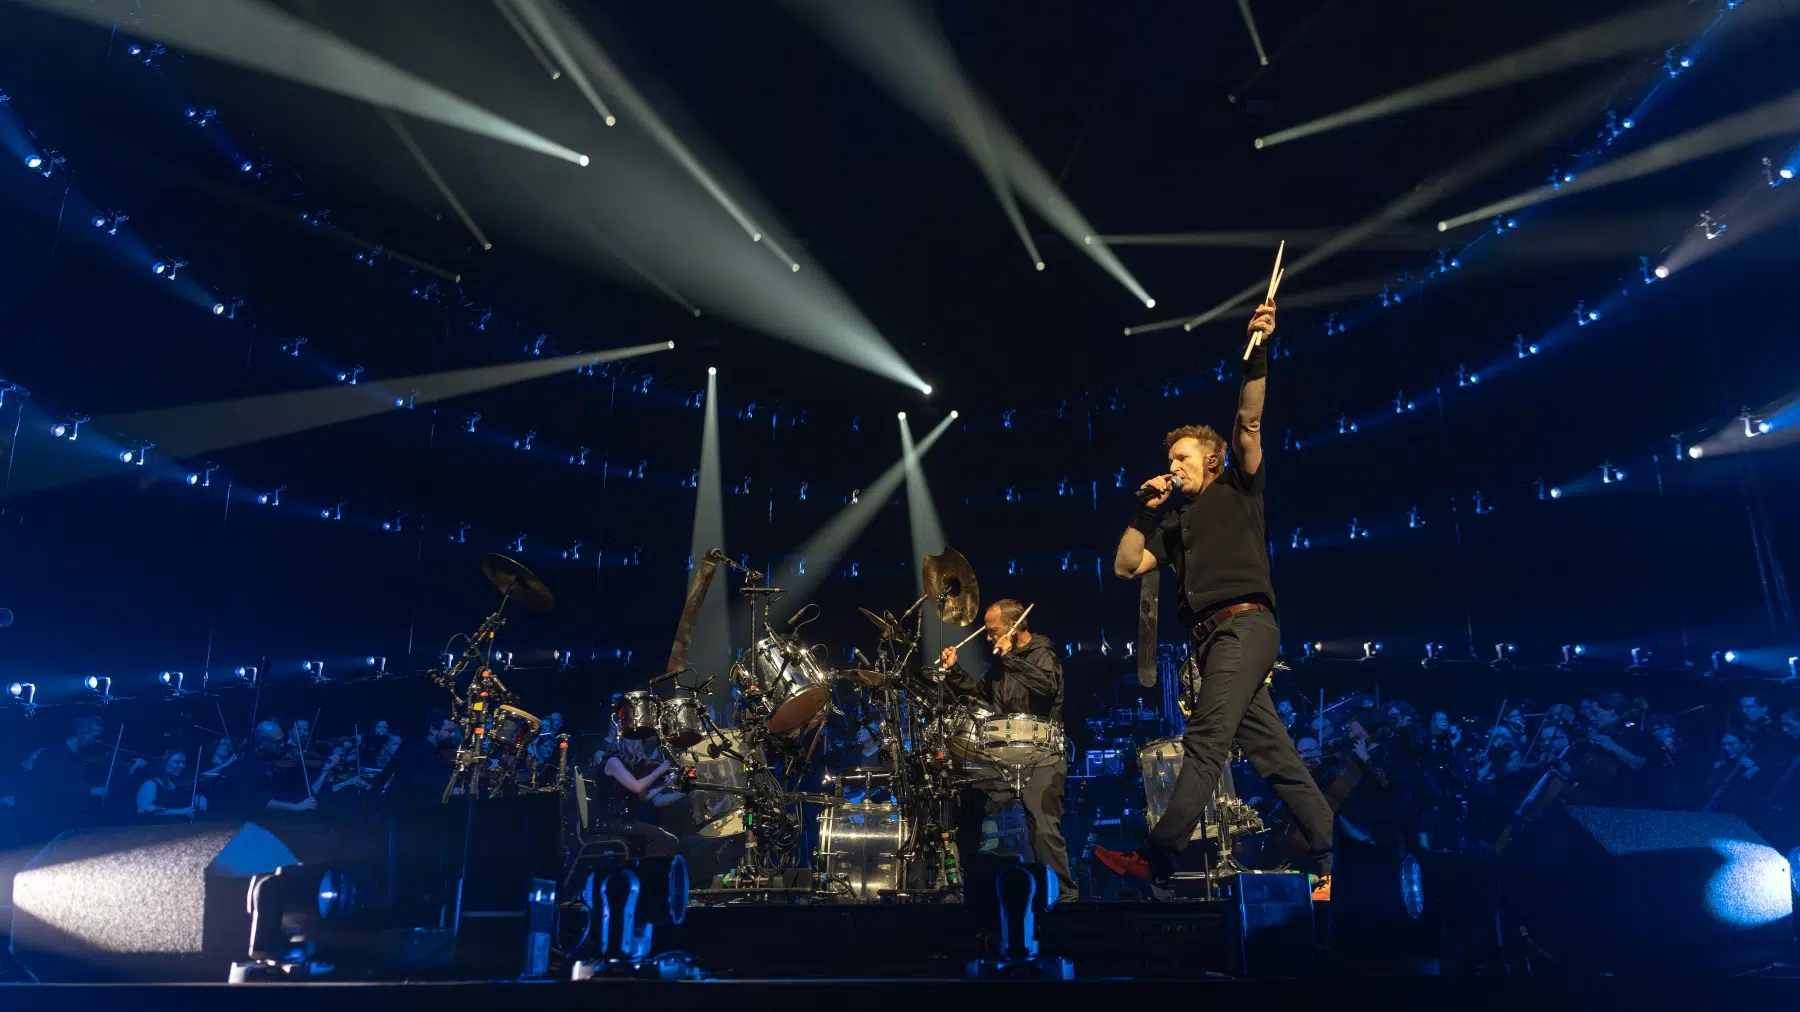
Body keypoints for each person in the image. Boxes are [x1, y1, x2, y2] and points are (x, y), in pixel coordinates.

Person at [1098, 298, 1336, 897]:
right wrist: (1141, 512)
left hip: (1245, 627)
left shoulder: (1238, 485)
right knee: (1273, 755)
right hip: (1212, 642)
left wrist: (1258, 353)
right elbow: (1126, 566)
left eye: (1180, 458)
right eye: (1169, 460)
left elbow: (1249, 422)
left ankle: (1158, 859)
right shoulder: (1173, 523)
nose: (1172, 466)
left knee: (1206, 741)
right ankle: (1328, 861)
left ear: (1210, 459)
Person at [938, 598, 1074, 896]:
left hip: (1043, 757)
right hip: (1004, 757)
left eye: (993, 631)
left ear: (1014, 626)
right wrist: (954, 670)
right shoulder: (1001, 662)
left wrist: (1011, 657)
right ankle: (977, 892)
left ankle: (1065, 897)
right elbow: (980, 695)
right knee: (975, 812)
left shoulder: (1042, 652)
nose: (988, 638)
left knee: (1044, 831)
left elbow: (1047, 688)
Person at [592, 733, 680, 857]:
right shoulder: (613, 762)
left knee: (671, 840)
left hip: (625, 820)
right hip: (611, 821)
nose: (640, 751)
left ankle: (656, 867)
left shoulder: (627, 765)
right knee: (660, 837)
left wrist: (668, 781)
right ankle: (649, 867)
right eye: (638, 747)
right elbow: (637, 787)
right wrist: (659, 770)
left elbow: (644, 796)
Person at [232, 721, 318, 814]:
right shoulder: (245, 766)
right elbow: (258, 799)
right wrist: (296, 807)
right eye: (277, 743)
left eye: (282, 741)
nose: (282, 745)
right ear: (261, 744)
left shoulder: (281, 761)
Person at [136, 750, 204, 820]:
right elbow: (145, 809)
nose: (182, 766)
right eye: (177, 762)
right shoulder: (150, 784)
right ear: (165, 763)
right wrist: (180, 812)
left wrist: (199, 799)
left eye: (184, 763)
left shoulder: (178, 786)